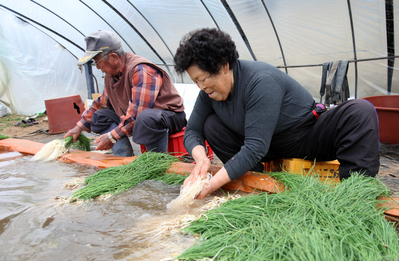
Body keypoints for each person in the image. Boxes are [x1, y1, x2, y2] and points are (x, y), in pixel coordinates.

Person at [173, 28, 379, 199]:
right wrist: (201, 160)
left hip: (304, 136)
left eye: (204, 78)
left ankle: (355, 196)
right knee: (211, 125)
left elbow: (254, 147)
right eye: (195, 81)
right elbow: (192, 131)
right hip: (269, 149)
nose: (201, 86)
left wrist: (210, 185)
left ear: (223, 65)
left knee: (360, 111)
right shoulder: (208, 94)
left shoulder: (261, 81)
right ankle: (255, 181)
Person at [65, 30, 187, 156]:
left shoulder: (141, 70)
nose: (97, 67)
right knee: (99, 116)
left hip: (169, 117)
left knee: (145, 118)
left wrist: (111, 137)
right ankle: (124, 158)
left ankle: (156, 161)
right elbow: (101, 104)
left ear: (114, 57)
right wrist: (79, 127)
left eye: (97, 61)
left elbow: (136, 115)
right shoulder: (111, 75)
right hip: (138, 116)